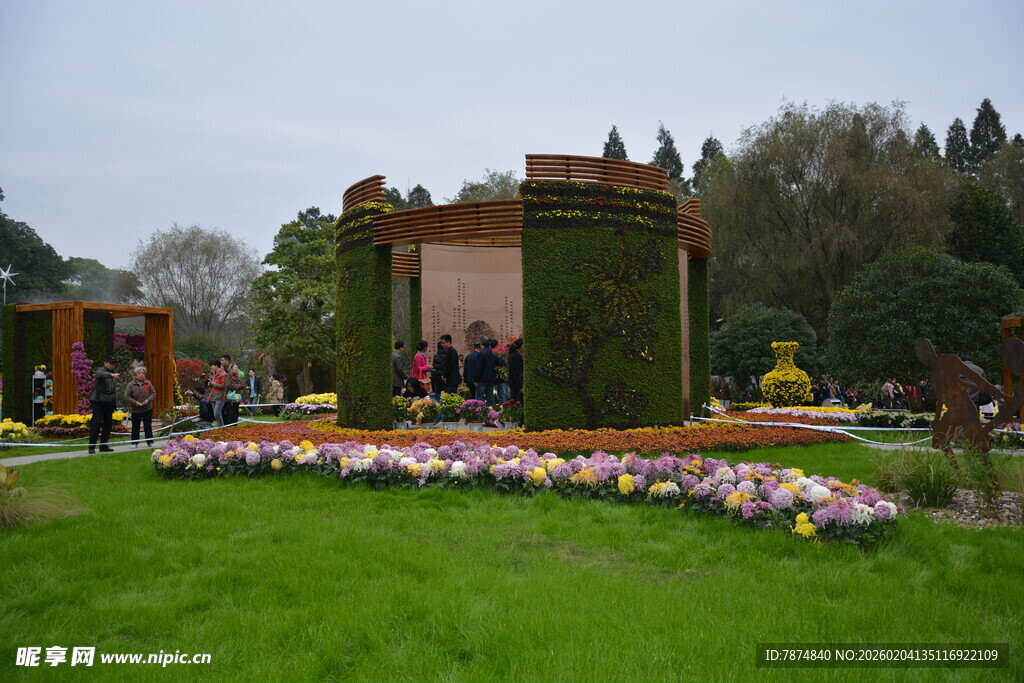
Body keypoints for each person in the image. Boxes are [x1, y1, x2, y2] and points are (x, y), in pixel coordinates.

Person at [88, 355, 120, 454]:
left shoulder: (113, 373)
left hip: (109, 402)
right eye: (111, 363)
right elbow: (99, 374)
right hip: (99, 402)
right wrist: (111, 375)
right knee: (96, 424)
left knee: (108, 425)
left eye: (114, 363)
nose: (112, 365)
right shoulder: (101, 371)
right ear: (105, 363)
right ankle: (91, 447)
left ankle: (103, 446)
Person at [124, 365, 157, 447]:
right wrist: (135, 402)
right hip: (136, 409)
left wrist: (148, 400)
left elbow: (153, 393)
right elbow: (126, 396)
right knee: (135, 426)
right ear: (136, 375)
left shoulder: (148, 383)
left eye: (143, 373)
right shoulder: (131, 385)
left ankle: (150, 442)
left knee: (148, 426)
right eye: (140, 373)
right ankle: (134, 443)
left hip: (147, 408)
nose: (142, 375)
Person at [222, 356, 243, 425]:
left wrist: (240, 386)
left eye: (237, 368)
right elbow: (229, 385)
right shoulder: (227, 376)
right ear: (231, 369)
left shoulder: (237, 377)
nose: (237, 369)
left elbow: (242, 384)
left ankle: (235, 427)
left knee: (236, 414)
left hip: (236, 398)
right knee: (230, 414)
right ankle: (229, 427)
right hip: (229, 398)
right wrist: (238, 386)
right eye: (235, 368)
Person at [208, 358, 227, 427]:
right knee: (216, 415)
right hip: (213, 396)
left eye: (213, 365)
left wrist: (214, 384)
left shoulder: (223, 374)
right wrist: (210, 384)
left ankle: (222, 428)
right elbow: (213, 384)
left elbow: (224, 386)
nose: (212, 367)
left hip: (220, 396)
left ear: (216, 366)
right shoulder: (214, 374)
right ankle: (220, 428)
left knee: (217, 414)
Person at [477, 337, 496, 404]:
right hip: (491, 378)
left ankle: (480, 410)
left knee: (480, 397)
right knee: (490, 397)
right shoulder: (493, 353)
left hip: (482, 378)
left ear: (481, 343)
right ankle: (491, 410)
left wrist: (476, 378)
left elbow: (479, 367)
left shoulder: (481, 353)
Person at [508, 337, 523, 404]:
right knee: (516, 401)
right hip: (516, 384)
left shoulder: (515, 355)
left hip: (515, 383)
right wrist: (520, 386)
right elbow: (516, 372)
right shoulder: (515, 356)